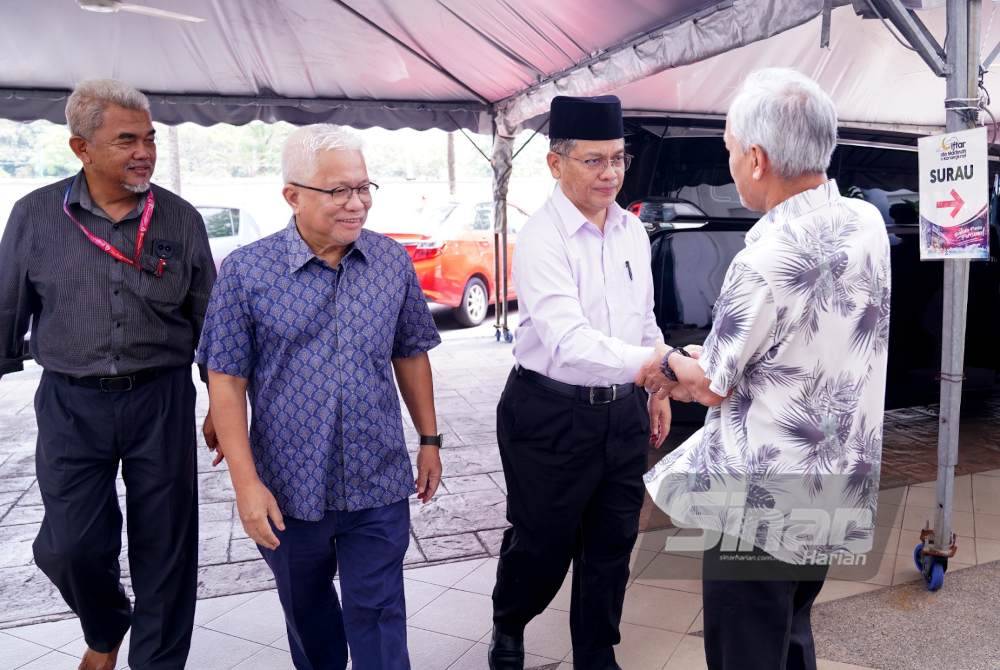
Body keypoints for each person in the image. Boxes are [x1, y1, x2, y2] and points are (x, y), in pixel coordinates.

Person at [641, 68, 891, 670]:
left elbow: (713, 384)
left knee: (746, 652)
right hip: (832, 485)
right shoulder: (866, 224)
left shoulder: (764, 259)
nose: (728, 163)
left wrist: (667, 362)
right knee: (791, 635)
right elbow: (801, 339)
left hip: (760, 510)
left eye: (729, 151)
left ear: (756, 159)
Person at [197, 124, 442, 670]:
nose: (357, 203)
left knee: (379, 610)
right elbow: (227, 381)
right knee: (308, 614)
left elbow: (411, 351)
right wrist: (247, 486)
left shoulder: (389, 263)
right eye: (339, 191)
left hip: (377, 476)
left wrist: (429, 438)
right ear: (293, 195)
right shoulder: (246, 272)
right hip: (287, 484)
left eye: (364, 187)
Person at [0, 79, 217, 670]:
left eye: (149, 138)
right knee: (70, 547)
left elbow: (211, 322)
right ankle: (106, 624)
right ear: (81, 148)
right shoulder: (34, 216)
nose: (144, 151)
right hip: (71, 403)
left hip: (161, 399)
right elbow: (5, 313)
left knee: (165, 551)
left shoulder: (179, 218)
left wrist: (223, 405)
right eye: (126, 140)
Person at [489, 95, 672, 670]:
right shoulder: (543, 237)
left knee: (614, 542)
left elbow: (644, 319)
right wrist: (660, 365)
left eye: (618, 158)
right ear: (555, 162)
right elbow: (567, 338)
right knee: (543, 544)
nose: (610, 173)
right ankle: (509, 624)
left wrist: (655, 388)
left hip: (622, 414)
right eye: (594, 161)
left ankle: (596, 654)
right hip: (548, 412)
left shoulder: (632, 232)